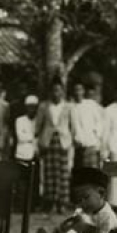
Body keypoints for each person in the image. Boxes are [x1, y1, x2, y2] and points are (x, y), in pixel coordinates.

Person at [34, 79, 74, 213]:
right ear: (50, 92)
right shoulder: (44, 106)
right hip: (48, 141)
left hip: (63, 141)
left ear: (62, 92)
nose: (56, 93)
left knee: (63, 174)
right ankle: (49, 203)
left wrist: (70, 141)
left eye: (59, 90)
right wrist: (38, 142)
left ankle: (61, 204)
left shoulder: (68, 106)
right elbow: (38, 125)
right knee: (49, 173)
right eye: (54, 90)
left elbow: (72, 126)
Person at [70, 83, 105, 169]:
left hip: (91, 145)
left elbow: (100, 121)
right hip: (78, 147)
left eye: (80, 90)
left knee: (92, 172)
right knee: (81, 173)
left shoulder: (90, 104)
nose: (78, 93)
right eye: (76, 90)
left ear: (83, 91)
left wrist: (96, 135)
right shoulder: (71, 107)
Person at [13, 95, 39, 163]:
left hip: (36, 154)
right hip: (23, 155)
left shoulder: (39, 120)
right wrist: (34, 136)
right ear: (26, 107)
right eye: (30, 106)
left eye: (34, 107)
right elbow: (20, 137)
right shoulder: (20, 120)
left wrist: (28, 136)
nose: (32, 109)